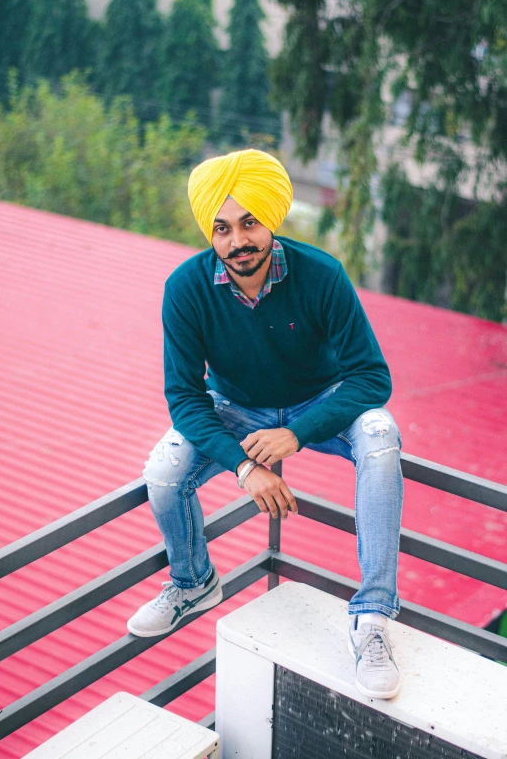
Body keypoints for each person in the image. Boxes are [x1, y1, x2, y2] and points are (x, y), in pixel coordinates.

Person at [127, 149, 403, 699]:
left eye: (249, 222)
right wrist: (243, 464)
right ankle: (192, 582)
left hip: (317, 403)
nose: (237, 242)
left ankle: (373, 616)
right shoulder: (184, 289)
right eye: (222, 228)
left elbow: (372, 378)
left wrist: (296, 434)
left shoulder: (321, 275)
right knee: (161, 473)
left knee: (381, 439)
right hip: (234, 408)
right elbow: (184, 395)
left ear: (271, 219)